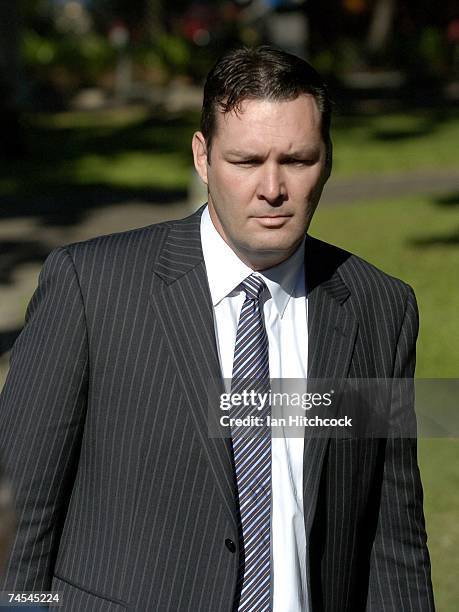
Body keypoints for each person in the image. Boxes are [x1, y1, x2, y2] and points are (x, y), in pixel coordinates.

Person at [0, 46, 434, 611]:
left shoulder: (379, 309)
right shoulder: (92, 287)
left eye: (298, 160)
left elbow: (390, 534)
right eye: (247, 161)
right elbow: (17, 519)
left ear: (328, 160)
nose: (272, 188)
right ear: (203, 158)